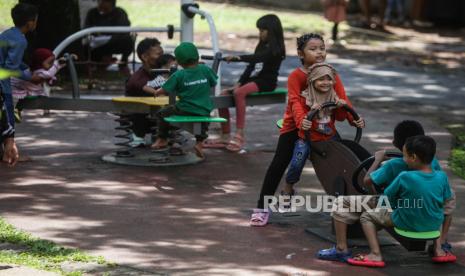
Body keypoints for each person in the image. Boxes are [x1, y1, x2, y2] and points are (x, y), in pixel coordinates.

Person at [249, 33, 365, 226]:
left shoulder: (331, 73)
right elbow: (295, 101)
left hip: (324, 127)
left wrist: (354, 119)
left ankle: (348, 209)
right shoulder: (297, 76)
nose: (319, 52)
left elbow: (342, 101)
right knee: (280, 163)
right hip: (296, 126)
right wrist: (302, 120)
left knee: (340, 162)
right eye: (313, 49)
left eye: (322, 48)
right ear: (300, 54)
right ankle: (262, 207)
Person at [320, 136, 455, 267]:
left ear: (413, 157)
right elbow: (445, 199)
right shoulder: (441, 176)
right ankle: (438, 249)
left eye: (404, 155)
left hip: (405, 221)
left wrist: (378, 161)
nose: (403, 159)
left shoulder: (404, 176)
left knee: (366, 215)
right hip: (432, 226)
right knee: (434, 207)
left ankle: (368, 253)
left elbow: (385, 196)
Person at [280, 63, 364, 211]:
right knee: (297, 162)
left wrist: (341, 108)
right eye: (320, 79)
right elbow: (298, 114)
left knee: (343, 159)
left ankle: (344, 195)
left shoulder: (333, 97)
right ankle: (288, 188)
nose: (325, 83)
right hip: (308, 138)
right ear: (312, 81)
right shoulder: (304, 98)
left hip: (329, 136)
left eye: (329, 79)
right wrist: (306, 117)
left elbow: (340, 117)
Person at [363, 120, 456, 254]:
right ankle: (441, 243)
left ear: (395, 143)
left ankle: (374, 253)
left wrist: (378, 160)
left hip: (403, 210)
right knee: (449, 198)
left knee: (365, 212)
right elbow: (438, 184)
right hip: (430, 212)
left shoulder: (393, 165)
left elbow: (367, 181)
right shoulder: (432, 162)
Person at [203, 14, 286, 152]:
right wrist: (240, 82)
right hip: (255, 80)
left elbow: (259, 57)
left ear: (272, 31)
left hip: (267, 82)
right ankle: (225, 135)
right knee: (223, 94)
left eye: (262, 30)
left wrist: (238, 58)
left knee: (239, 92)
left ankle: (239, 134)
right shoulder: (261, 45)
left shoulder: (276, 49)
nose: (260, 33)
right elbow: (251, 66)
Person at [151, 42, 218, 158]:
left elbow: (165, 89)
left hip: (184, 108)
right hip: (204, 108)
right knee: (204, 120)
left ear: (179, 62)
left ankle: (162, 138)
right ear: (197, 57)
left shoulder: (179, 75)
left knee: (162, 113)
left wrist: (157, 92)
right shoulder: (205, 70)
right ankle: (199, 142)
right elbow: (214, 82)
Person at [0, 3, 39, 166]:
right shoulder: (20, 41)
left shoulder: (8, 34)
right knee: (8, 114)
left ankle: (5, 151)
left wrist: (25, 68)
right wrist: (29, 77)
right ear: (30, 23)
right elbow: (10, 68)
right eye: (36, 20)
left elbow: (12, 60)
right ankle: (9, 152)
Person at [125, 38, 164, 146]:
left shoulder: (163, 72)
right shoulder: (137, 78)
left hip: (158, 114)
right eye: (158, 54)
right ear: (145, 57)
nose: (162, 58)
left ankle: (161, 134)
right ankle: (137, 135)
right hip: (139, 116)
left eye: (162, 53)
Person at [84, 0, 133, 76]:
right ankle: (98, 65)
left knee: (128, 41)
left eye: (104, 1)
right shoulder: (92, 13)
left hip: (115, 42)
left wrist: (110, 37)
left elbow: (124, 30)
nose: (100, 3)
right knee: (85, 46)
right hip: (98, 44)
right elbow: (86, 28)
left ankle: (123, 64)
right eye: (99, 1)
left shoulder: (120, 13)